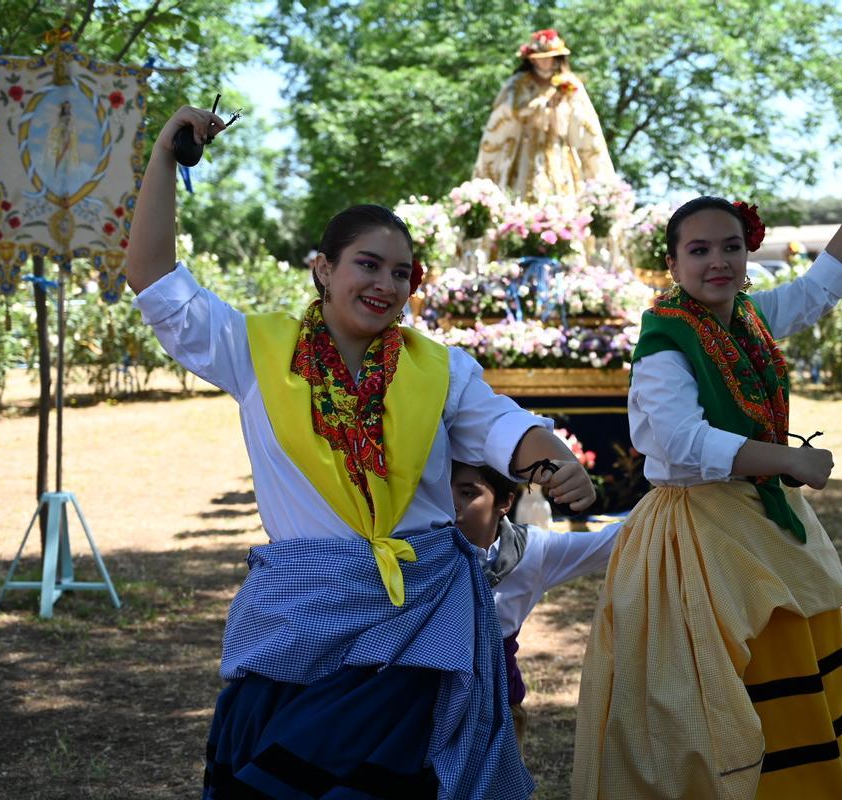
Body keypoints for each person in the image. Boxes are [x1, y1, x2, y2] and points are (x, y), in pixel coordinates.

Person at [126, 105, 598, 799]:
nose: (385, 284)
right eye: (367, 265)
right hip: (300, 611)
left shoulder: (440, 368)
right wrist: (166, 154)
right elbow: (155, 279)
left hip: (418, 621)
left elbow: (504, 427)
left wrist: (554, 461)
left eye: (401, 273)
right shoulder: (256, 351)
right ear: (323, 268)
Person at [572, 151, 842, 799]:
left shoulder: (748, 319)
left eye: (730, 247)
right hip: (698, 533)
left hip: (764, 524)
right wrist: (788, 459)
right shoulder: (665, 342)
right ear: (672, 264)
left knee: (794, 665)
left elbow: (819, 287)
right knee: (717, 689)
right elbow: (679, 441)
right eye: (699, 250)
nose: (717, 262)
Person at [450, 461, 620, 759]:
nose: (451, 504)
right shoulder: (416, 550)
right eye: (443, 491)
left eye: (467, 493)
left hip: (499, 709)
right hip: (428, 708)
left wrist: (671, 506)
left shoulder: (531, 551)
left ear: (504, 502)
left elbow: (612, 544)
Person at [472, 29, 615, 201]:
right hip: (525, 150)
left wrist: (561, 108)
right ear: (531, 59)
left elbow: (585, 123)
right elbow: (504, 114)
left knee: (561, 195)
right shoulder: (517, 84)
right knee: (520, 196)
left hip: (558, 149)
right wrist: (533, 108)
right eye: (541, 58)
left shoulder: (569, 85)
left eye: (549, 57)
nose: (546, 62)